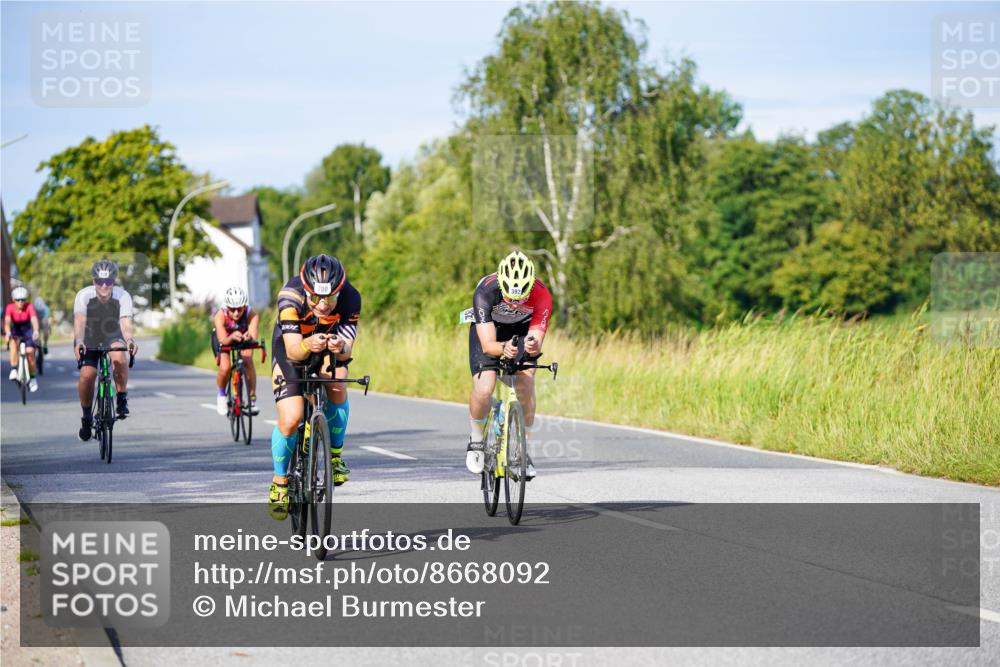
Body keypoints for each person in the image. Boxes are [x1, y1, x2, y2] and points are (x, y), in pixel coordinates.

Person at [267, 254, 361, 519]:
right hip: (291, 348)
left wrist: (340, 346)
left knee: (338, 381)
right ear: (305, 290)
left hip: (326, 349)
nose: (322, 305)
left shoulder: (352, 298)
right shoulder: (290, 296)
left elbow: (345, 352)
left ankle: (335, 456)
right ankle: (280, 482)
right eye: (316, 298)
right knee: (292, 416)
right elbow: (294, 351)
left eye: (330, 298)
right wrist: (309, 344)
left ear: (339, 291)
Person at [466, 250, 552, 480]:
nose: (515, 305)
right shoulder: (486, 290)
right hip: (490, 332)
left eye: (521, 298)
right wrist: (502, 348)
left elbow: (535, 338)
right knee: (485, 388)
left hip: (521, 332)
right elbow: (487, 345)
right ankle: (475, 439)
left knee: (526, 383)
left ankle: (523, 452)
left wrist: (532, 347)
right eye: (510, 298)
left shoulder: (542, 294)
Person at [73, 260, 138, 440]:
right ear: (93, 281)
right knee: (87, 374)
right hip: (88, 335)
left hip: (112, 334)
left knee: (119, 354)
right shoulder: (83, 296)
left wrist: (130, 339)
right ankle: (86, 419)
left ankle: (122, 397)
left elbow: (125, 323)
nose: (104, 285)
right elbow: (79, 322)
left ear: (114, 281)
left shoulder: (122, 296)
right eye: (99, 281)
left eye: (108, 281)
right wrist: (79, 342)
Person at [211, 286, 261, 415]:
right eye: (232, 309)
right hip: (225, 339)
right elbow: (222, 340)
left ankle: (252, 400)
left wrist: (248, 337)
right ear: (227, 307)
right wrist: (232, 336)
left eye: (240, 309)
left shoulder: (252, 314)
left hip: (243, 339)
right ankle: (221, 395)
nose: (236, 313)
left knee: (247, 361)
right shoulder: (220, 315)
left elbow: (254, 337)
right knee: (225, 367)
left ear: (245, 306)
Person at [3, 286, 40, 392]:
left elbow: (34, 320)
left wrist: (36, 331)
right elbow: (7, 322)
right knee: (13, 344)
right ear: (13, 300)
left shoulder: (29, 307)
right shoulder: (10, 308)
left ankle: (33, 378)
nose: (20, 302)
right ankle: (14, 369)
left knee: (30, 352)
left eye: (23, 299)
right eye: (18, 300)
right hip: (15, 330)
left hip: (27, 330)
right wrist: (8, 332)